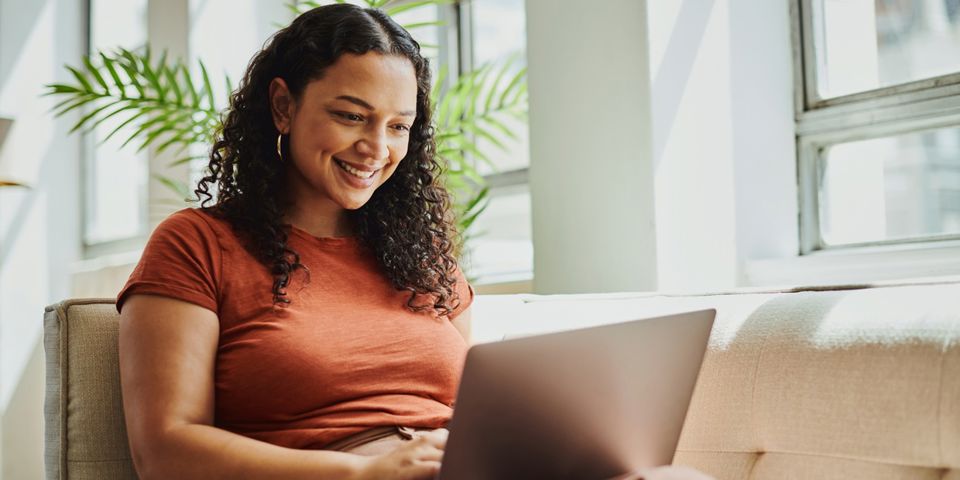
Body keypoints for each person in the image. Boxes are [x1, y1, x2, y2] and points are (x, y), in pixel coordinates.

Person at [116, 4, 714, 479]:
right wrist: (361, 474)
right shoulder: (197, 245)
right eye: (351, 116)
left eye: (398, 126)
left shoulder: (421, 259)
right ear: (282, 106)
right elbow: (167, 452)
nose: (377, 147)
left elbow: (482, 407)